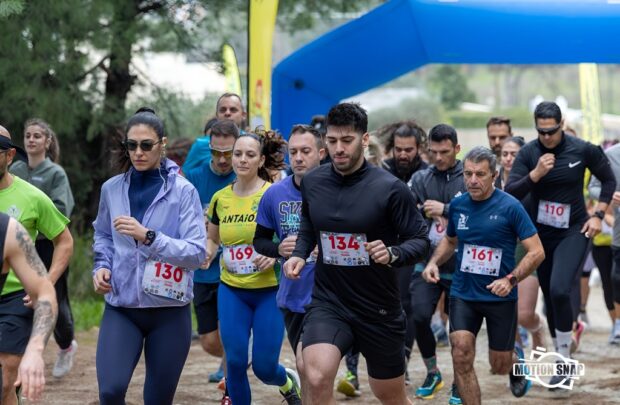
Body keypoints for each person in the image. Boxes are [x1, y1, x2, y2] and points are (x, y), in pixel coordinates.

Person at [283, 102, 429, 405]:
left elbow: (420, 240)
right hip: (329, 301)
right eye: (332, 140)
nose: (338, 149)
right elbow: (309, 225)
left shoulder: (390, 188)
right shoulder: (313, 182)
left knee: (389, 394)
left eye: (347, 140)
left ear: (364, 139)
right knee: (316, 376)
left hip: (378, 308)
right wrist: (298, 253)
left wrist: (392, 253)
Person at [92, 108, 207, 405]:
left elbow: (196, 252)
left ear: (162, 144)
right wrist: (101, 266)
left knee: (157, 400)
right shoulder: (111, 189)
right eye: (131, 145)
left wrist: (149, 237)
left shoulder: (184, 192)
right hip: (121, 307)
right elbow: (103, 235)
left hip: (169, 311)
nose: (138, 152)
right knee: (110, 391)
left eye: (146, 145)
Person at [505, 101, 616, 390]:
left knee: (559, 289)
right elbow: (510, 192)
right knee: (551, 299)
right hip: (540, 235)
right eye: (541, 132)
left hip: (573, 230)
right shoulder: (529, 153)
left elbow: (608, 180)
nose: (547, 137)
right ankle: (562, 352)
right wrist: (535, 175)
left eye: (551, 131)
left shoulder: (582, 149)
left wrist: (598, 214)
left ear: (561, 124)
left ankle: (564, 361)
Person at [423, 146, 545, 404]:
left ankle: (515, 362)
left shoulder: (511, 207)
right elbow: (451, 240)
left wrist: (510, 280)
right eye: (468, 174)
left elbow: (537, 252)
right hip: (464, 293)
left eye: (480, 174)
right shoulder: (458, 205)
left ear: (494, 175)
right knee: (461, 354)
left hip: (500, 295)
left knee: (499, 364)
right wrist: (433, 262)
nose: (472, 180)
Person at [204, 129, 301, 405]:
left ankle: (286, 381)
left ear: (261, 160)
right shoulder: (220, 198)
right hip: (232, 289)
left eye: (250, 155)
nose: (242, 160)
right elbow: (213, 238)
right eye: (237, 154)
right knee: (235, 362)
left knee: (264, 367)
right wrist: (206, 253)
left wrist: (275, 255)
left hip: (269, 291)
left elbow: (293, 239)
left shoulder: (274, 194)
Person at [0, 128, 73, 405]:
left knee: (4, 380)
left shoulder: (32, 197)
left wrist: (47, 281)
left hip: (16, 296)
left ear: (9, 156)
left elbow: (64, 241)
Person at [253, 124, 325, 397]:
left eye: (305, 151)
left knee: (309, 366)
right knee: (306, 370)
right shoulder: (275, 194)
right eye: (293, 152)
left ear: (321, 153)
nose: (298, 158)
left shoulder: (336, 190)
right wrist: (278, 249)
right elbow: (259, 241)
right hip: (293, 293)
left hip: (328, 294)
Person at [409, 124, 467, 401]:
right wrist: (421, 211)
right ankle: (433, 373)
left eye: (445, 152)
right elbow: (406, 213)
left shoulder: (470, 176)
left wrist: (446, 209)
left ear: (457, 148)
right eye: (434, 152)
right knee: (419, 316)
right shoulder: (421, 178)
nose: (439, 157)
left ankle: (460, 382)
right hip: (427, 262)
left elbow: (481, 210)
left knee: (459, 333)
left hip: (463, 266)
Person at [184, 119, 239, 386]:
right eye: (216, 152)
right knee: (208, 341)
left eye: (228, 153)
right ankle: (239, 354)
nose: (222, 159)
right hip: (203, 271)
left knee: (230, 331)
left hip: (235, 271)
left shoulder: (243, 179)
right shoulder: (194, 178)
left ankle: (232, 380)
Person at [1, 212, 58, 402]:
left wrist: (35, 349)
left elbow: (44, 293)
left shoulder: (8, 231)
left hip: (13, 303)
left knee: (5, 386)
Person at [499, 137, 547, 351]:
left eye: (514, 154)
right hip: (498, 249)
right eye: (505, 154)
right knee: (505, 311)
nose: (509, 159)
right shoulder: (489, 180)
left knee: (524, 314)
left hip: (526, 248)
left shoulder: (534, 182)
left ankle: (537, 328)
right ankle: (517, 359)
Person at [589, 141, 620, 343]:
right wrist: (610, 196)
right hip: (615, 234)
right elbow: (593, 187)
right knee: (614, 280)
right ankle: (617, 324)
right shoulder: (611, 155)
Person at [184, 94, 247, 172]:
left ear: (243, 115)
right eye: (222, 110)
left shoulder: (252, 143)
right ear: (217, 115)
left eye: (233, 110)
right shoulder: (200, 145)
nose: (227, 113)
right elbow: (183, 175)